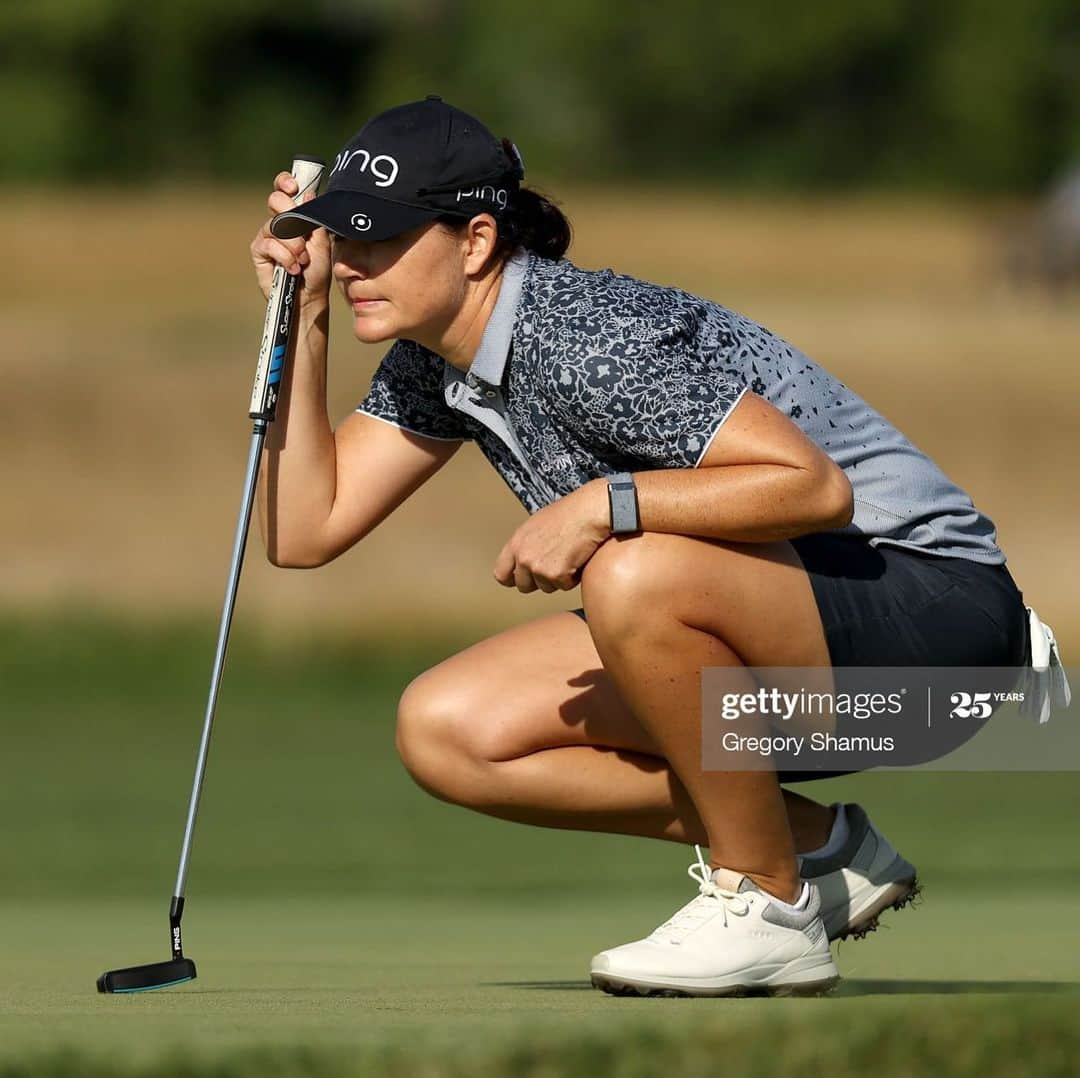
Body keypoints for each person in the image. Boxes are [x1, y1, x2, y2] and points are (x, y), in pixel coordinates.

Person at [249, 95, 1029, 998]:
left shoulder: (576, 332)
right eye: (344, 237)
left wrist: (598, 505)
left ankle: (766, 903)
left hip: (940, 637)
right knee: (449, 730)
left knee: (630, 565)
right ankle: (817, 851)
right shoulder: (436, 354)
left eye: (380, 237)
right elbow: (306, 529)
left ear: (474, 241)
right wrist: (296, 323)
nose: (354, 263)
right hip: (806, 649)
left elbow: (813, 487)